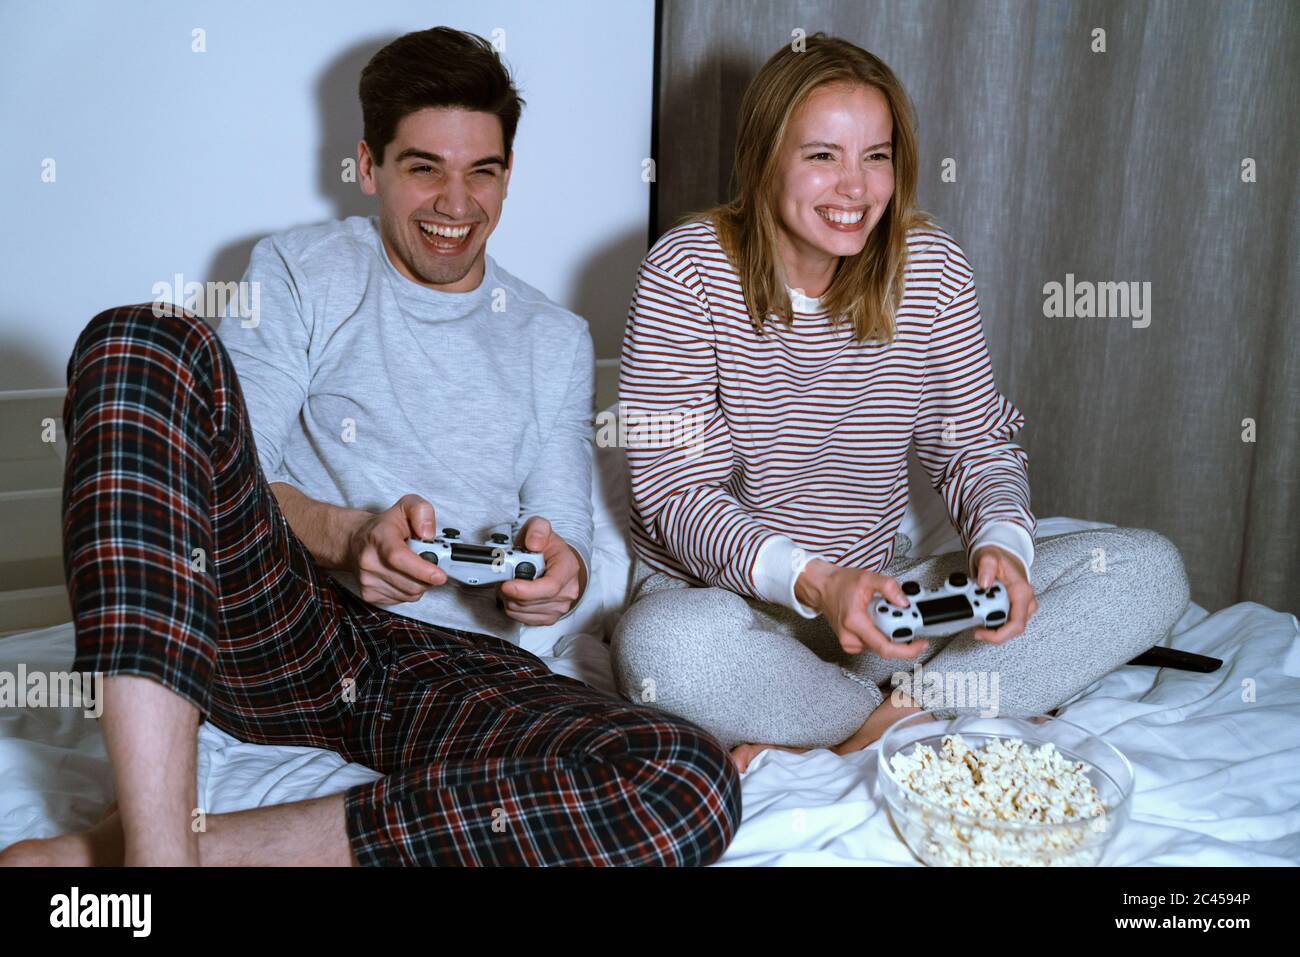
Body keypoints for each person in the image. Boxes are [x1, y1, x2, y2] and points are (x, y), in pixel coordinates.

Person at [1, 26, 739, 867]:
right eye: (424, 167)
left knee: (686, 779)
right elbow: (218, 477)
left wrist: (554, 577)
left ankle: (189, 854)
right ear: (369, 166)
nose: (456, 205)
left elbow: (560, 538)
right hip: (286, 626)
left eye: (483, 172)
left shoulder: (555, 339)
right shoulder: (300, 269)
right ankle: (155, 859)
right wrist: (349, 537)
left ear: (507, 175)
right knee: (140, 341)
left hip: (449, 667)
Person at [611, 34, 1190, 773]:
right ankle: (941, 710)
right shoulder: (686, 272)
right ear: (762, 158)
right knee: (660, 648)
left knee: (1147, 569)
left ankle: (878, 724)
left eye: (876, 156)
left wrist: (1000, 548)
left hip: (878, 610)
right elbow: (674, 494)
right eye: (823, 155)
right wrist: (818, 583)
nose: (856, 188)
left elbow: (975, 443)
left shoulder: (932, 267)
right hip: (730, 610)